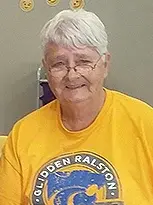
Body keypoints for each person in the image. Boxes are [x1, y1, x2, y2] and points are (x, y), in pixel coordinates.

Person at [0, 9, 153, 205]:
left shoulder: (146, 124)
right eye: (59, 64)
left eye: (83, 62)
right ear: (47, 69)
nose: (72, 75)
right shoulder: (22, 135)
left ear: (105, 65)